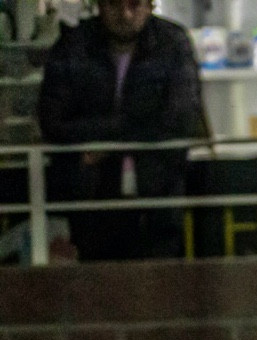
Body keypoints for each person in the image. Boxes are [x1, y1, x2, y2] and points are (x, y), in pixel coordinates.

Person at [35, 0, 203, 261]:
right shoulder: (73, 45)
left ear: (149, 5)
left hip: (157, 197)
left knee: (158, 276)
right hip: (90, 199)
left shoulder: (172, 42)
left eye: (134, 4)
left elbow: (181, 119)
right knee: (96, 277)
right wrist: (132, 129)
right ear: (100, 5)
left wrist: (107, 145)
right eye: (114, 4)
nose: (125, 14)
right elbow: (52, 120)